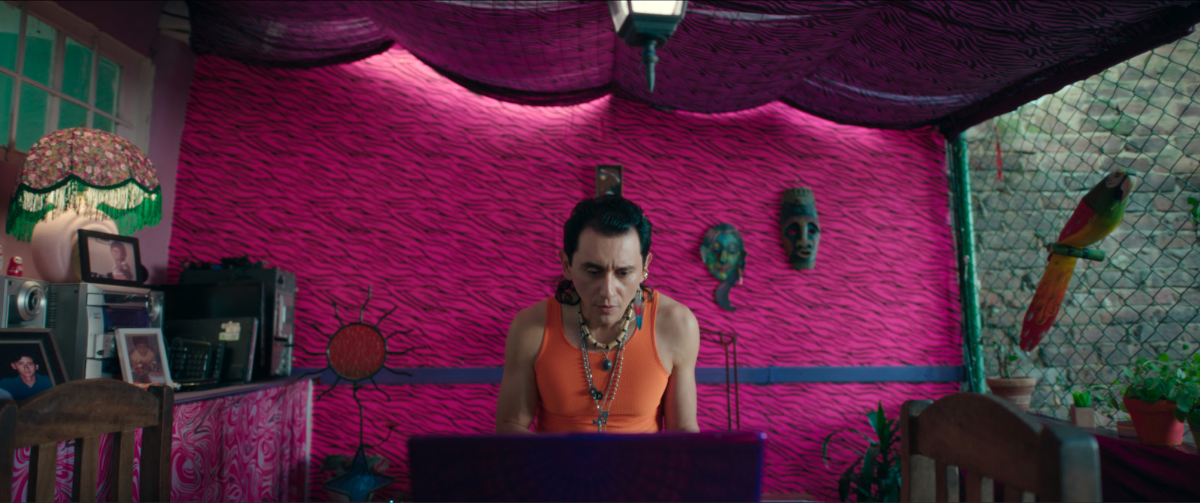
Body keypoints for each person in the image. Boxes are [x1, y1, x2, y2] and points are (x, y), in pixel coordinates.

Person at [495, 196, 700, 433]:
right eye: (593, 272)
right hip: (554, 459)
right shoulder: (531, 327)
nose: (608, 291)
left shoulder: (677, 325)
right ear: (566, 265)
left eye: (623, 273)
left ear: (645, 267)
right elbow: (509, 426)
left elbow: (683, 432)